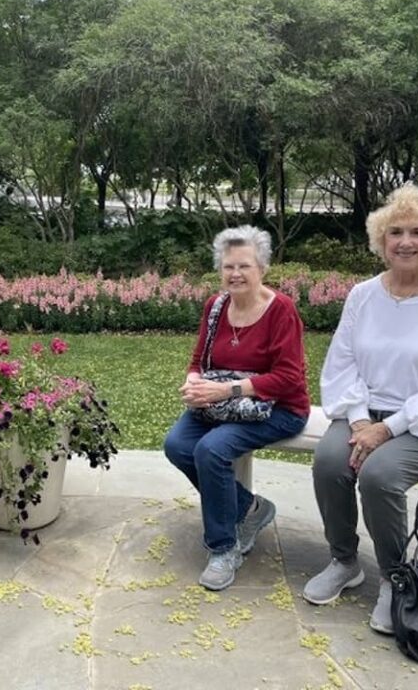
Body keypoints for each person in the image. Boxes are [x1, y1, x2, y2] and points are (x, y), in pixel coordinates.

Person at [305, 184, 418, 635]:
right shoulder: (363, 294)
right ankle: (345, 561)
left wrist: (388, 429)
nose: (405, 241)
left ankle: (394, 577)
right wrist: (362, 419)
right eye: (395, 232)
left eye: (417, 232)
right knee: (329, 461)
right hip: (367, 412)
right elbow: (342, 362)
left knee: (380, 476)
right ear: (381, 240)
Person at [164, 226, 310, 591]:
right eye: (228, 266)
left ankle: (223, 548)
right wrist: (194, 382)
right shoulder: (216, 306)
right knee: (177, 445)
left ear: (262, 267)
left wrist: (226, 390)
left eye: (244, 265)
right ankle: (250, 508)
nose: (235, 274)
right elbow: (199, 358)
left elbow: (289, 378)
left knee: (211, 450)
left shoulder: (281, 311)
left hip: (279, 408)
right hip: (223, 404)